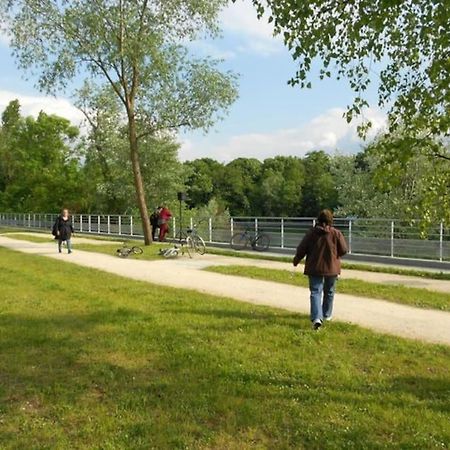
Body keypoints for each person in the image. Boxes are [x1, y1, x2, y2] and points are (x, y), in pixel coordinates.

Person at [293, 209, 348, 330]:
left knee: (315, 292)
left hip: (314, 267)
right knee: (329, 291)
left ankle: (317, 318)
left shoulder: (311, 233)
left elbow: (302, 249)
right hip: (332, 268)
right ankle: (327, 315)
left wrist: (296, 260)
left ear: (318, 220)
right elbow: (344, 250)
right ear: (330, 220)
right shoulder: (336, 233)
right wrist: (335, 255)